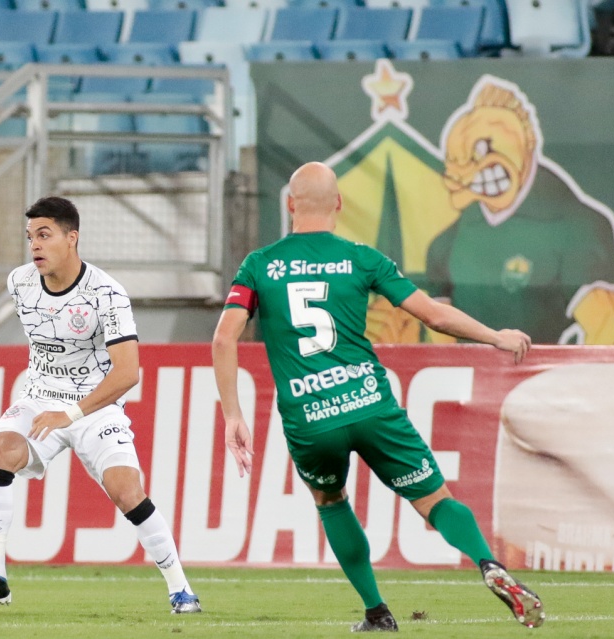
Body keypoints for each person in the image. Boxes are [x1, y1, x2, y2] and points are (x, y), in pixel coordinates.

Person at [212, 162, 544, 632]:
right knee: (434, 499)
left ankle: (377, 611)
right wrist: (495, 336)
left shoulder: (260, 265)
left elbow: (224, 340)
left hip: (309, 416)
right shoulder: (362, 258)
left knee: (329, 500)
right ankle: (488, 563)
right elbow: (433, 315)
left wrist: (232, 415)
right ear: (340, 205)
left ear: (289, 205)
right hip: (370, 404)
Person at [0, 196, 201, 614]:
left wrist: (71, 414)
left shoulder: (106, 293)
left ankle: (181, 589)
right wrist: (52, 407)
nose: (34, 245)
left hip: (95, 408)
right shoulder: (19, 283)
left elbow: (128, 373)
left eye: (44, 235)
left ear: (72, 238)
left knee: (125, 490)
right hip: (40, 398)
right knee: (0, 450)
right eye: (29, 237)